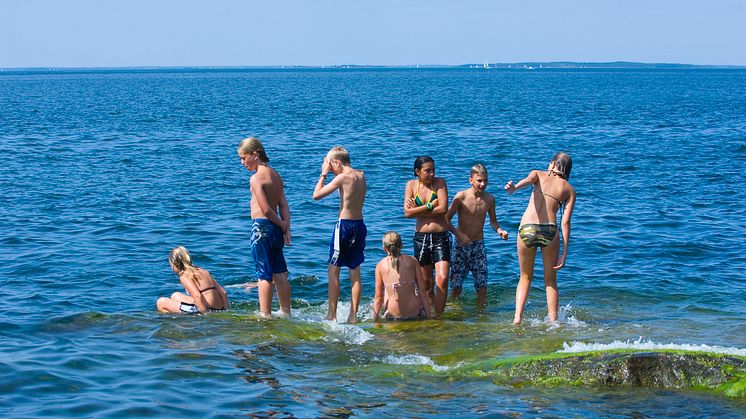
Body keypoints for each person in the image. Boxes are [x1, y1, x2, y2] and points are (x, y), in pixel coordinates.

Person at [504, 152, 576, 325]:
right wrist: (564, 252)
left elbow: (528, 180)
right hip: (550, 231)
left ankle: (517, 318)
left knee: (525, 276)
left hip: (527, 229)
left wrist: (514, 188)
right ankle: (553, 321)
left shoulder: (538, 173)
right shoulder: (568, 189)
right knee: (550, 280)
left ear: (552, 163)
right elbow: (565, 223)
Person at [238, 137, 292, 318]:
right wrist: (286, 228)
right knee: (279, 272)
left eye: (244, 158)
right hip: (276, 231)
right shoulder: (276, 175)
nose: (242, 163)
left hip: (261, 228)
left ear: (255, 154)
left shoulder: (256, 178)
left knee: (264, 274)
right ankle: (286, 312)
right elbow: (283, 206)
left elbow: (267, 210)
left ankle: (265, 314)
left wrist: (281, 223)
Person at [312, 146, 367, 324]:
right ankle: (353, 316)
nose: (329, 167)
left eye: (330, 164)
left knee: (333, 270)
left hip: (344, 226)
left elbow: (316, 196)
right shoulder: (361, 174)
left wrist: (323, 174)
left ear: (337, 162)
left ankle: (331, 315)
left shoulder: (342, 178)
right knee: (355, 271)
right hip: (360, 225)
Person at [445, 164, 509, 310]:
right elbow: (446, 219)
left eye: (485, 180)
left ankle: (481, 314)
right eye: (479, 180)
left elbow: (493, 221)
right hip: (460, 246)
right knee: (456, 286)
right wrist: (458, 234)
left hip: (478, 246)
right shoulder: (461, 197)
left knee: (482, 286)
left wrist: (499, 231)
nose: (483, 184)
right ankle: (454, 311)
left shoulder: (490, 199)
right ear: (471, 180)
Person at [403, 156, 450, 316]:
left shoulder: (440, 183)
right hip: (421, 238)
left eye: (433, 170)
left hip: (440, 237)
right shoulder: (411, 185)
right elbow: (407, 213)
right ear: (418, 172)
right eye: (427, 171)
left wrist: (419, 210)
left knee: (442, 279)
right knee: (427, 284)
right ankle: (430, 315)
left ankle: (439, 317)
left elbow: (443, 209)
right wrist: (430, 205)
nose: (432, 174)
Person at [372, 232, 431, 321]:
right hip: (414, 311)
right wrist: (428, 316)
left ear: (384, 249)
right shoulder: (412, 261)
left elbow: (378, 297)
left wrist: (375, 319)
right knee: (413, 290)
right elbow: (422, 291)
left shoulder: (380, 266)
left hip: (393, 314)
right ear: (401, 245)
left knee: (388, 292)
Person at [157, 246, 229, 314]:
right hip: (219, 308)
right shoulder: (203, 271)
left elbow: (197, 296)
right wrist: (226, 309)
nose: (172, 268)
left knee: (161, 302)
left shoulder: (184, 276)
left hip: (206, 309)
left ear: (175, 263)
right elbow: (223, 292)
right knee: (175, 296)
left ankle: (182, 320)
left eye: (171, 265)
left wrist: (204, 315)